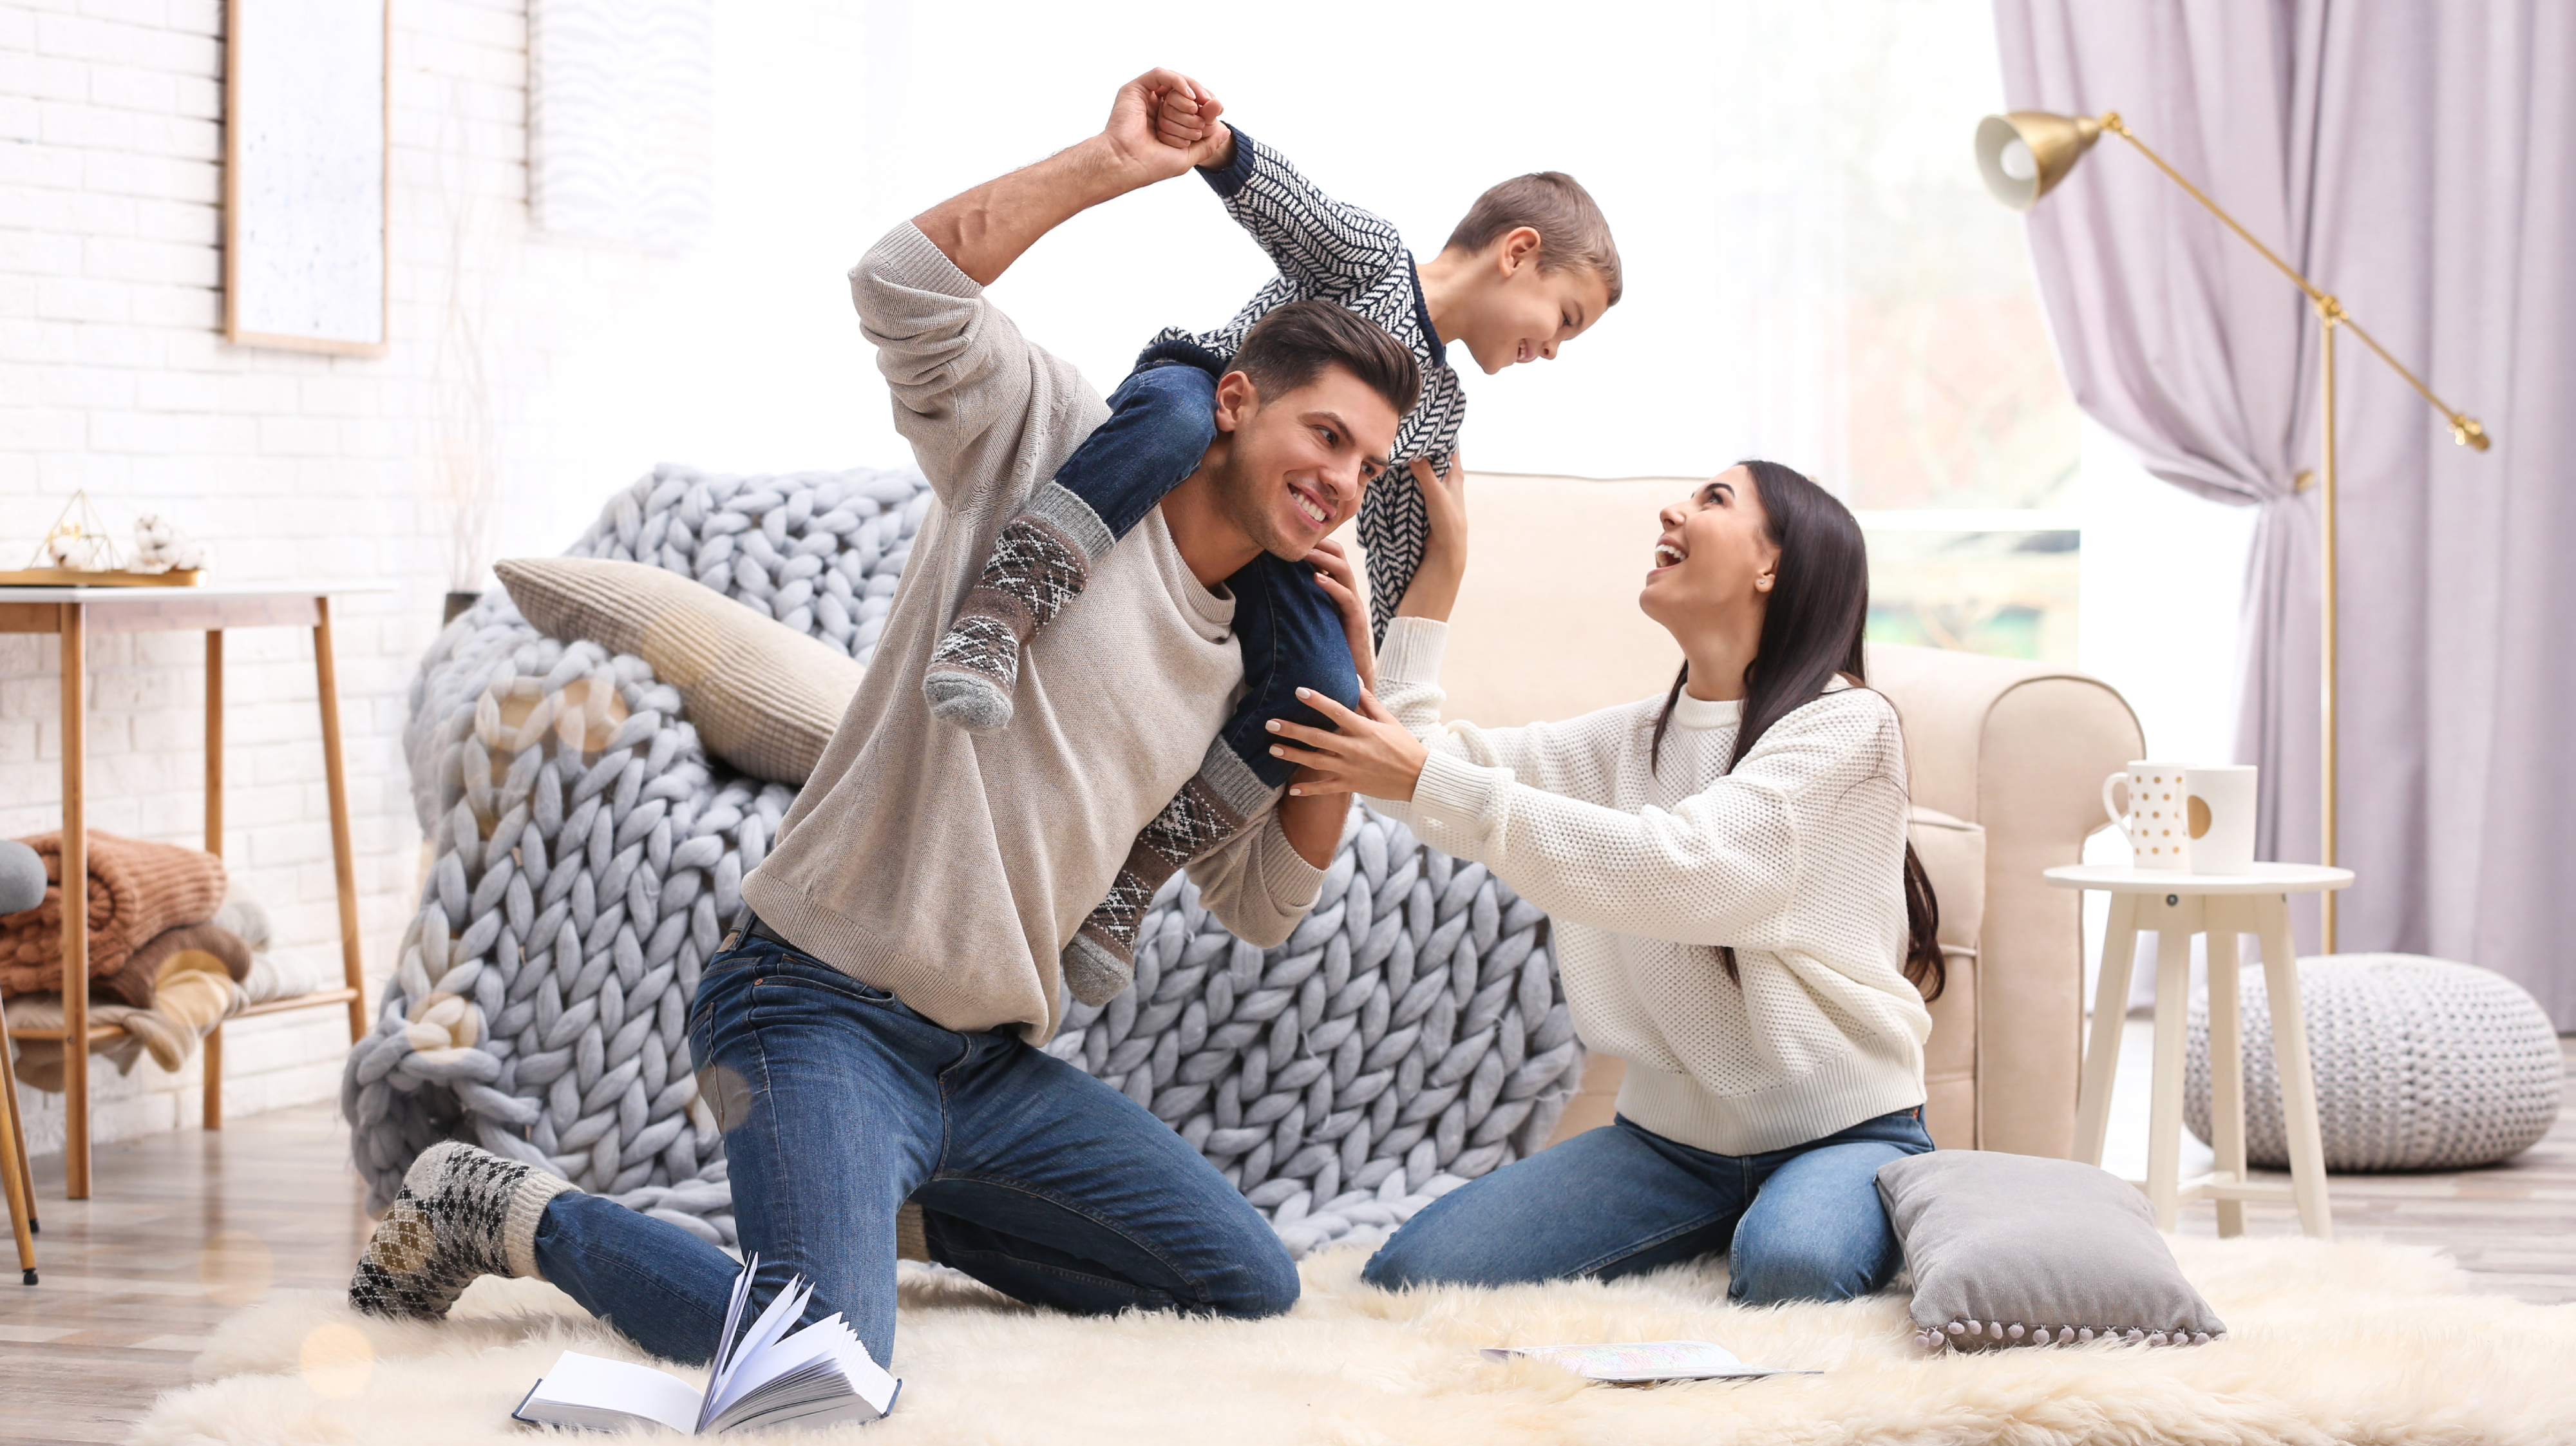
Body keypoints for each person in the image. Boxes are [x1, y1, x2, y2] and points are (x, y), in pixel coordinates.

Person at [344, 68, 1416, 1371]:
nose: (1342, 483)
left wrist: (1348, 685)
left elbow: (1265, 905)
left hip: (986, 1069)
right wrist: (1107, 165)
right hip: (813, 1007)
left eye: (1367, 465)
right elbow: (900, 286)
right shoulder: (1052, 443)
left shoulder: (1264, 653)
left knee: (1243, 1281)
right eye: (1326, 435)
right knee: (819, 1360)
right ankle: (504, 1207)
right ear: (1235, 402)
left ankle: (880, 1202)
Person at [920, 79, 1623, 993]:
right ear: (1519, 253)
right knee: (1179, 419)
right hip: (1205, 404)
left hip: (1276, 528)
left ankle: (1137, 875)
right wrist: (1214, 146)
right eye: (1565, 319)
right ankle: (1001, 612)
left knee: (1323, 685)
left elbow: (1396, 553)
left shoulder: (1440, 414)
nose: (1555, 350)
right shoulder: (1374, 262)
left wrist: (1420, 596)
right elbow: (1297, 213)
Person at [1265, 459, 1948, 1305]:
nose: (1673, 509)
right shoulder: (1630, 740)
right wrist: (1439, 574)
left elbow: (1691, 870)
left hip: (1841, 1131)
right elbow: (1410, 776)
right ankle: (1734, 1223)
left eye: (1714, 499)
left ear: (1773, 565)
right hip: (1668, 1148)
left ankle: (1834, 1201)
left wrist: (1428, 779)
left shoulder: (1848, 725)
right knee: (1413, 1274)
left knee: (1793, 1270)